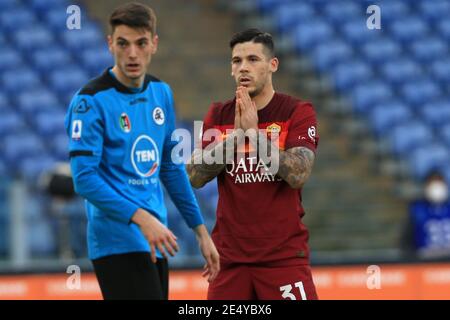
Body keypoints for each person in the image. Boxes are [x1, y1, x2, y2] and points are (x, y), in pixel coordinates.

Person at [64, 2, 219, 300]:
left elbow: (170, 167)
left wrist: (200, 231)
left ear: (154, 45)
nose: (132, 53)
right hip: (117, 241)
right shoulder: (90, 101)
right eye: (123, 43)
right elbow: (84, 179)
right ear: (110, 44)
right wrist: (143, 219)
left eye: (141, 43)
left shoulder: (161, 92)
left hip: (154, 240)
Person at [187, 29, 319, 300]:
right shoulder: (219, 113)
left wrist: (254, 135)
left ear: (273, 65)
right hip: (230, 262)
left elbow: (299, 174)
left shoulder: (297, 111)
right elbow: (194, 176)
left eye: (252, 59)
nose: (243, 67)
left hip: (282, 259)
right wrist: (237, 137)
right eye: (236, 61)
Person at [408, 171, 450, 258]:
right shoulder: (416, 210)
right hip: (426, 262)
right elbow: (408, 242)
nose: (437, 187)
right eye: (432, 182)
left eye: (440, 182)